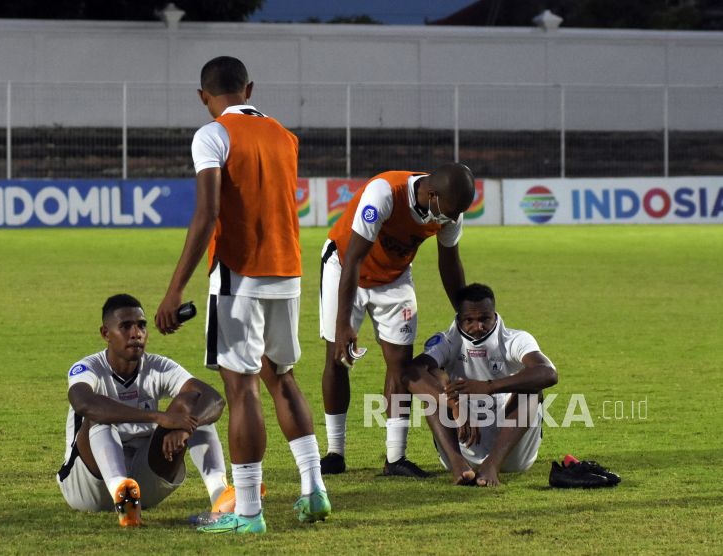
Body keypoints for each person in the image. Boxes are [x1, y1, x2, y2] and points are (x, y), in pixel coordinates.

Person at [154, 56, 329, 534]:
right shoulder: (284, 135)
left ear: (202, 96)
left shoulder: (211, 134)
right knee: (284, 378)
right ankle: (314, 491)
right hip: (288, 272)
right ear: (248, 88)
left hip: (240, 276)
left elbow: (207, 215)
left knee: (244, 388)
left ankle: (248, 512)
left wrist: (174, 290)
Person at [319, 164, 476, 478]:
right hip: (345, 266)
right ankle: (335, 452)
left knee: (400, 364)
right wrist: (342, 324)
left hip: (394, 277)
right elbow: (353, 258)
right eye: (447, 211)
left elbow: (450, 262)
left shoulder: (449, 209)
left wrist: (465, 316)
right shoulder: (384, 194)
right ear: (431, 194)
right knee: (338, 359)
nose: (450, 218)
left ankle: (395, 458)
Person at [57, 294, 230, 527]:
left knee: (193, 403)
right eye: (125, 326)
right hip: (88, 486)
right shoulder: (88, 368)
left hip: (145, 479)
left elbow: (215, 399)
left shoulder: (159, 366)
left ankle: (222, 498)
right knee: (99, 415)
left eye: (141, 325)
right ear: (106, 334)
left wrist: (187, 429)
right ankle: (121, 493)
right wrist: (159, 417)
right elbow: (83, 403)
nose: (136, 333)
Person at [402, 283, 558, 486]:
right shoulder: (446, 341)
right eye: (469, 320)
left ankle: (492, 464)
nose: (478, 327)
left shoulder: (515, 339)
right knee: (434, 378)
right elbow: (410, 374)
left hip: (512, 452)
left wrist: (489, 386)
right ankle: (458, 463)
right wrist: (454, 404)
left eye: (485, 319)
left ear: (495, 315)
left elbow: (548, 373)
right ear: (459, 319)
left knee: (530, 385)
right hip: (462, 446)